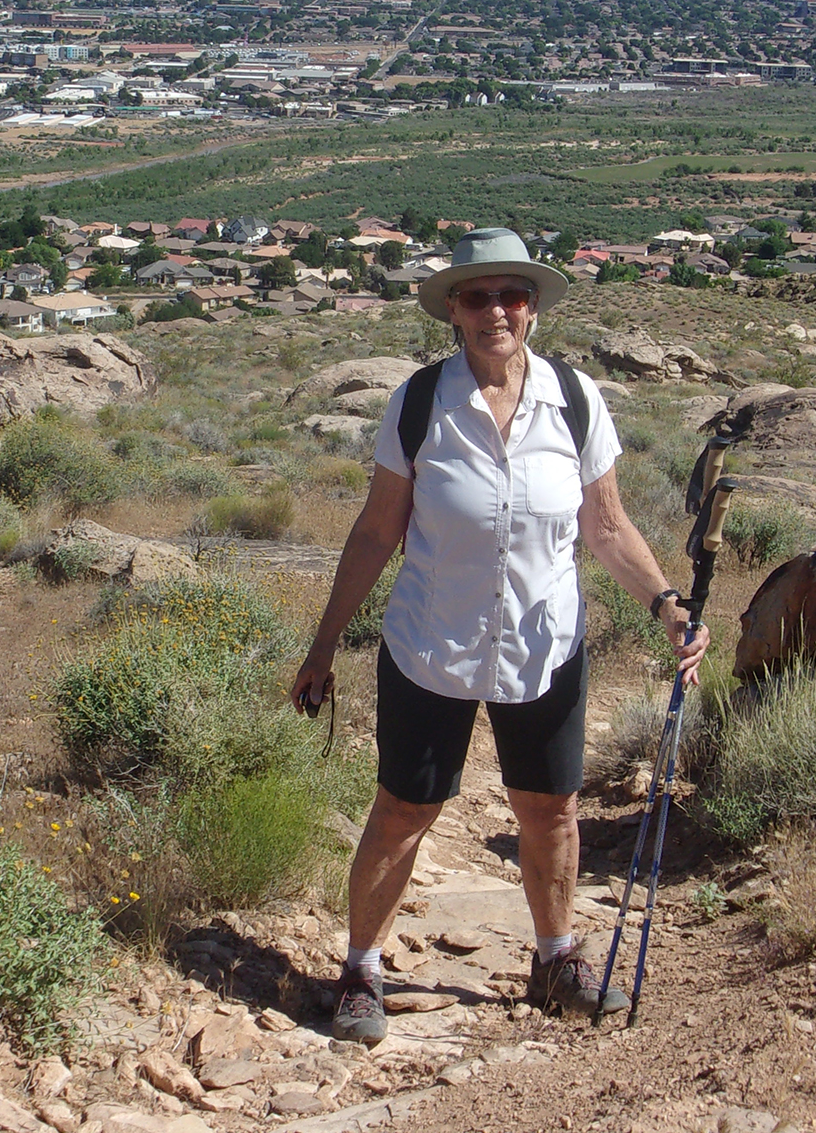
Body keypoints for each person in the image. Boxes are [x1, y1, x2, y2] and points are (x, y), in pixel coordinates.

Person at [291, 227, 710, 1045]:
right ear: (453, 309)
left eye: (511, 295)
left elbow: (609, 524)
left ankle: (555, 961)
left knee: (549, 810)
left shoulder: (576, 401)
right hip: (430, 644)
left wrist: (666, 604)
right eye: (477, 296)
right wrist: (322, 645)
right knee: (404, 811)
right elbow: (378, 531)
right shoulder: (420, 403)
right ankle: (361, 972)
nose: (496, 311)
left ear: (533, 308)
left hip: (542, 643)